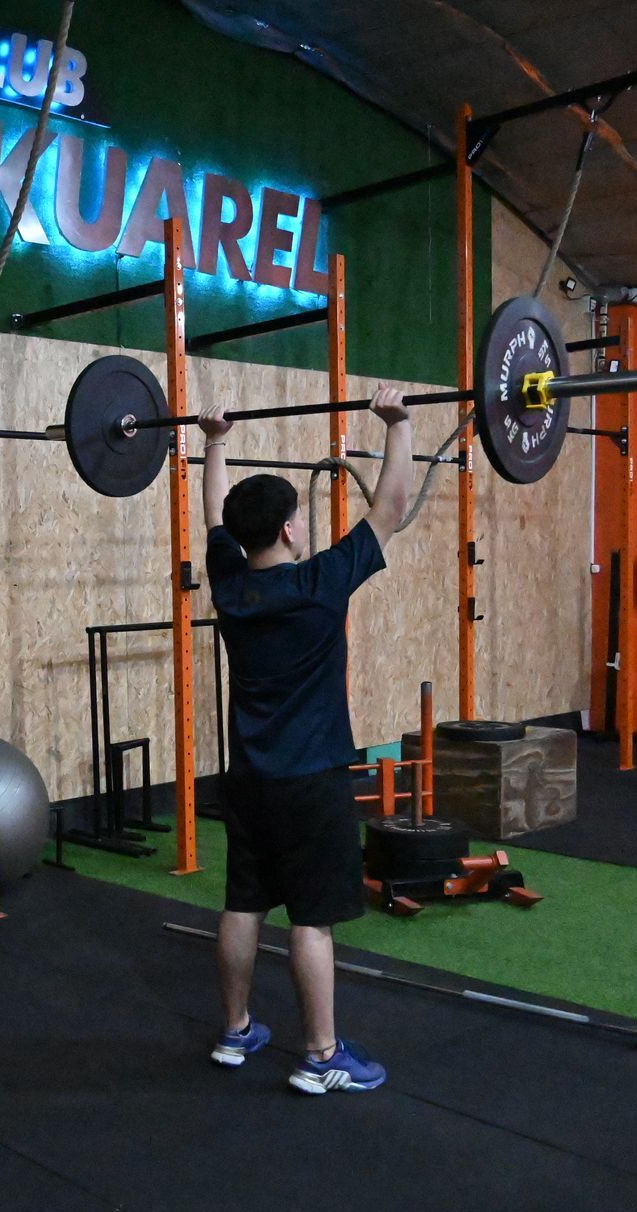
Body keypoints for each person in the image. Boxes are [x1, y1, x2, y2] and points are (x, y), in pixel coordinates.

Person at [197, 388, 415, 1095]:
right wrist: (399, 424)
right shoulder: (321, 584)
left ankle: (236, 1032)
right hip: (312, 778)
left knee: (243, 903)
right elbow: (391, 509)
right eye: (298, 519)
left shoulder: (229, 589)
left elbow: (215, 518)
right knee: (311, 920)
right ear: (290, 531)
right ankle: (321, 1056)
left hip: (249, 778)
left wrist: (216, 441)